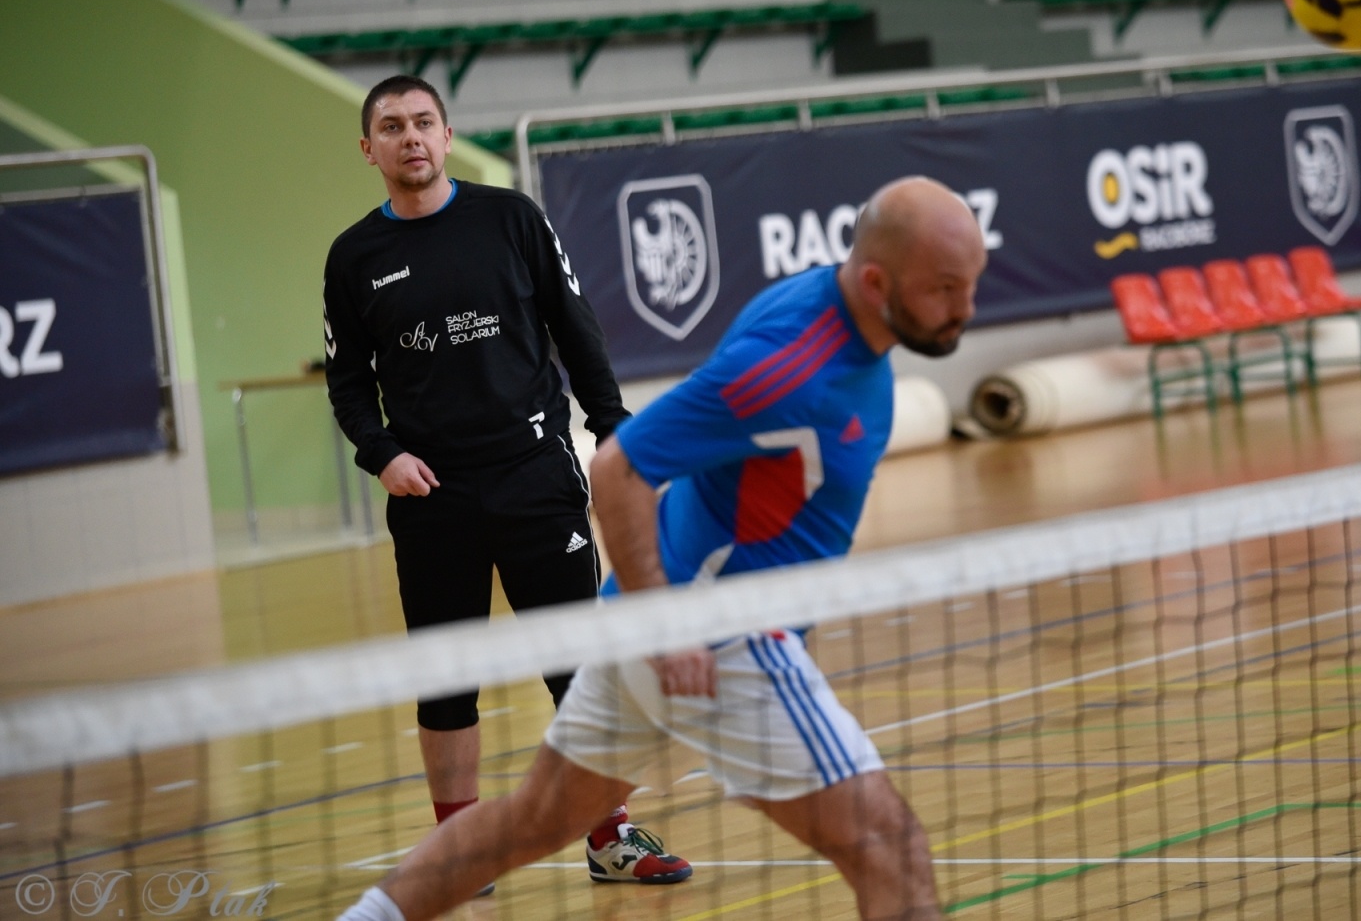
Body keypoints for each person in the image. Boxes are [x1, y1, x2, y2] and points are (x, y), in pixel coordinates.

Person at [338, 174, 988, 921]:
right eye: (945, 290)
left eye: (971, 284)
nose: (964, 311)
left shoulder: (834, 308)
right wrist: (668, 624)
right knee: (891, 848)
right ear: (876, 281)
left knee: (534, 819)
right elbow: (618, 469)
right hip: (726, 638)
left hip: (650, 627)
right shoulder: (786, 367)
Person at [322, 74, 692, 888]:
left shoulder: (512, 218)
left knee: (579, 667)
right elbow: (347, 382)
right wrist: (382, 454)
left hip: (534, 478)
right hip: (431, 499)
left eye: (424, 122)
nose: (410, 137)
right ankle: (464, 851)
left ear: (447, 135)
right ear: (369, 149)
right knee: (447, 682)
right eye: (392, 126)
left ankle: (609, 835)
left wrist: (614, 431)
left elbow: (574, 325)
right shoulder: (354, 257)